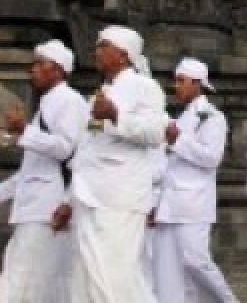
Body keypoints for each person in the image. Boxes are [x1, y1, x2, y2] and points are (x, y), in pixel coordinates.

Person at [55, 25, 169, 303]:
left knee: (117, 274)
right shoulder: (98, 94)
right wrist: (68, 200)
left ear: (124, 55)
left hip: (121, 193)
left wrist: (117, 115)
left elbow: (157, 132)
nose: (97, 51)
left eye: (104, 46)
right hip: (89, 194)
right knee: (86, 273)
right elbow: (87, 150)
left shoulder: (145, 86)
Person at [0, 39, 88, 303]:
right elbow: (33, 166)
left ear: (58, 70)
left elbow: (66, 150)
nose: (32, 70)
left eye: (40, 64)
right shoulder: (47, 105)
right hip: (36, 204)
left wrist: (25, 131)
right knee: (37, 277)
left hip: (49, 204)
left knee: (23, 277)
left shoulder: (69, 102)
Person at [150, 58, 240, 303]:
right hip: (170, 204)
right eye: (175, 81)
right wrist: (155, 202)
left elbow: (211, 158)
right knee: (166, 269)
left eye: (181, 81)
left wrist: (178, 141)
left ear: (198, 84)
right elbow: (166, 166)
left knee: (196, 261)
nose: (175, 86)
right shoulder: (178, 120)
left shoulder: (213, 117)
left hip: (194, 204)